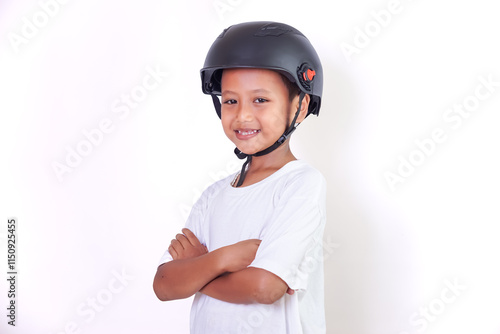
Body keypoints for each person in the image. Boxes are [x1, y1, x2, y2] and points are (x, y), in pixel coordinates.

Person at [153, 21, 326, 333]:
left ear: (300, 107)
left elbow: (264, 287)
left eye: (260, 99)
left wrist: (197, 271)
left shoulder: (301, 184)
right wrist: (226, 258)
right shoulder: (213, 196)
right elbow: (164, 285)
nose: (243, 115)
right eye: (231, 100)